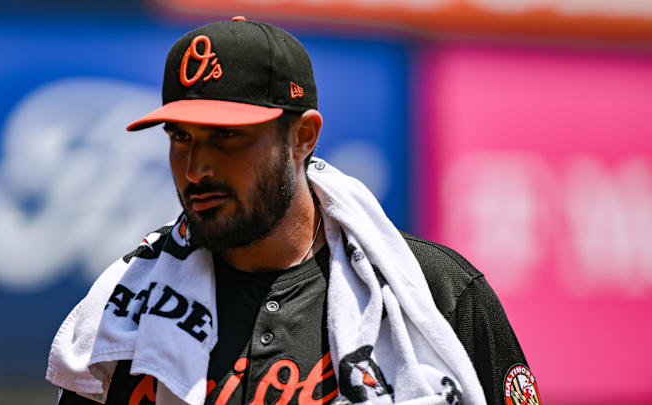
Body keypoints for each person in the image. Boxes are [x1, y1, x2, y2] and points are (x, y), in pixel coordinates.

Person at [47, 17, 539, 405]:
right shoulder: (126, 306)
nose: (196, 168)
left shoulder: (436, 294)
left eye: (227, 136)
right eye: (181, 137)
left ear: (302, 137)